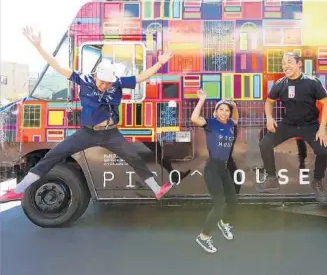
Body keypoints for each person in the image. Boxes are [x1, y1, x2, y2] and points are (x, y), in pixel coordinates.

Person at [0, 26, 176, 203]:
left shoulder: (118, 83)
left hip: (111, 133)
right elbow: (58, 66)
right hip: (87, 132)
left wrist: (160, 63)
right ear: (96, 76)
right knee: (54, 154)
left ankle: (157, 189)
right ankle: (19, 190)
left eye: (109, 83)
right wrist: (39, 47)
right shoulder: (83, 80)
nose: (106, 86)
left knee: (133, 157)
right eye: (103, 82)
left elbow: (141, 77)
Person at [256, 52, 327, 203]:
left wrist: (322, 128)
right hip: (288, 124)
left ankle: (316, 181)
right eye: (283, 63)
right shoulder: (280, 84)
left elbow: (326, 103)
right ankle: (272, 178)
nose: (286, 66)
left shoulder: (312, 82)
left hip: (309, 125)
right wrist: (269, 118)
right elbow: (269, 102)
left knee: (323, 151)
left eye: (289, 62)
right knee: (265, 143)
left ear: (299, 64)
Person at [191, 90, 239, 254]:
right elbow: (194, 118)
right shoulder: (211, 123)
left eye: (227, 110)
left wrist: (234, 105)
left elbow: (236, 118)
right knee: (218, 205)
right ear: (215, 112)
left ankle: (223, 223)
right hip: (212, 169)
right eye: (221, 110)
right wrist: (202, 99)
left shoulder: (231, 124)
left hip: (224, 168)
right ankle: (203, 237)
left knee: (232, 200)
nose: (224, 113)